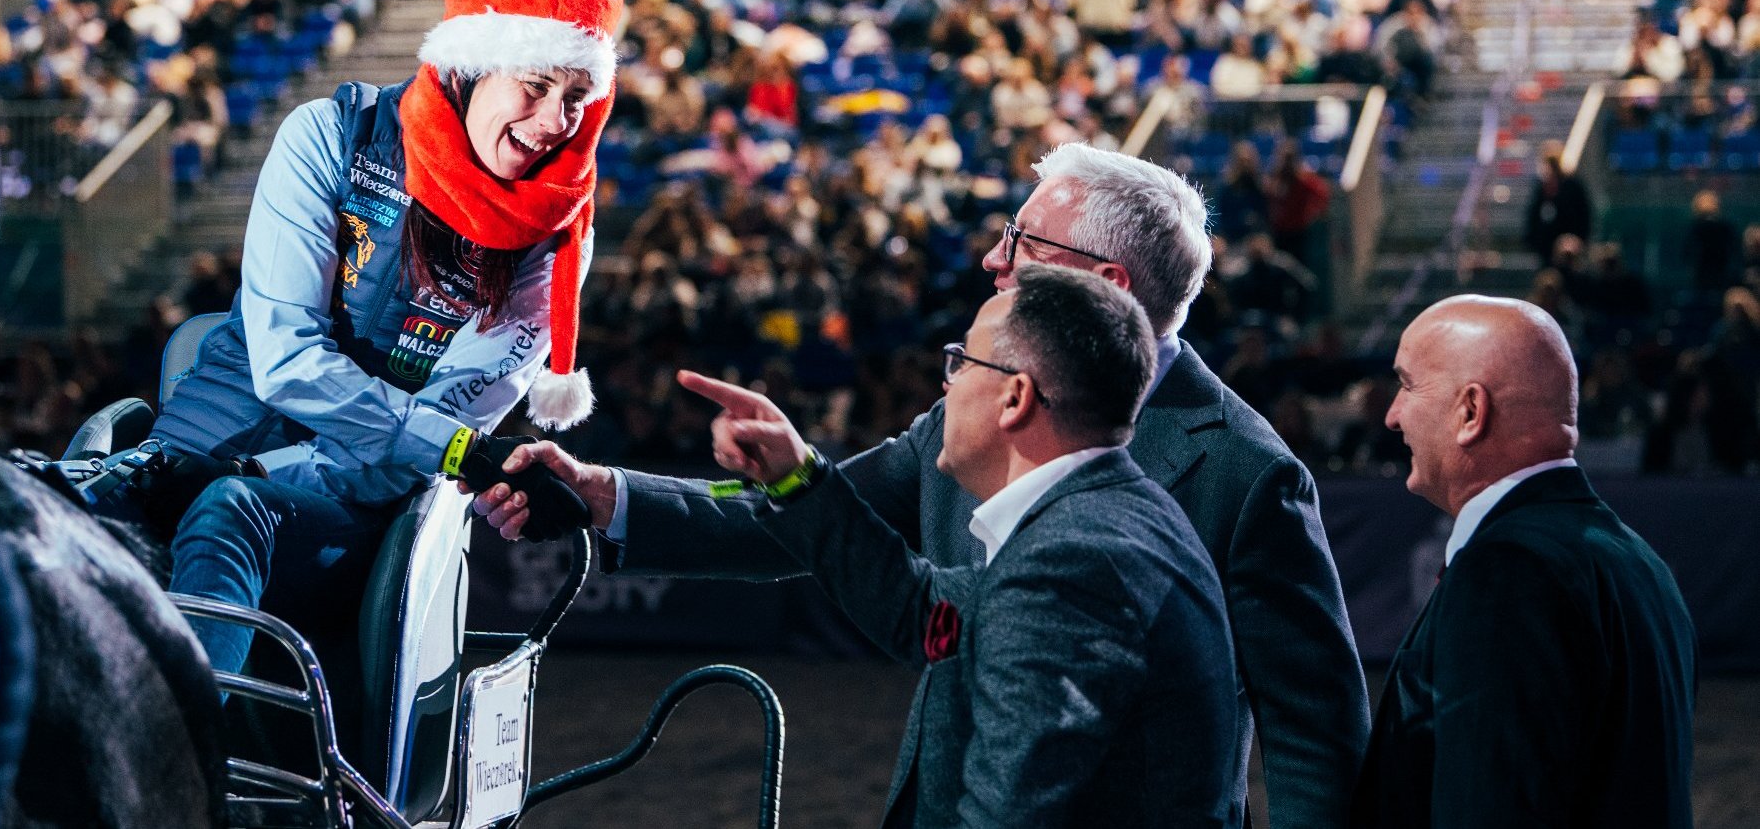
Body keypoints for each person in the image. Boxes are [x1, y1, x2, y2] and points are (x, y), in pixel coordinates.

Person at [481, 143, 1371, 829]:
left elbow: (1313, 732)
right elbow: (858, 559)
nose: (992, 257)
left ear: (1103, 286)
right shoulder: (980, 406)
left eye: (1021, 241)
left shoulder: (1246, 471)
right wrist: (605, 492)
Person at [90, 0, 613, 675]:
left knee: (231, 512)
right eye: (535, 86)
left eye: (576, 97)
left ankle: (183, 775)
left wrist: (262, 476)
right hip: (187, 451)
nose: (556, 122)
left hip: (348, 521)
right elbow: (285, 361)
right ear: (469, 67)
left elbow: (446, 434)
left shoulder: (553, 244)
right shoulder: (326, 135)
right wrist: (170, 470)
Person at [681, 266, 1242, 827]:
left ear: (1015, 397)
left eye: (963, 362)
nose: (946, 384)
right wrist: (793, 477)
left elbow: (1011, 814)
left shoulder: (1073, 564)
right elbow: (929, 614)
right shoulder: (1112, 517)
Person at [1352, 295, 1696, 828]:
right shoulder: (1640, 562)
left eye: (1407, 384)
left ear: (1471, 411)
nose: (1393, 415)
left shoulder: (1508, 573)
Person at [1524, 146, 1592, 265]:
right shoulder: (1542, 189)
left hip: (1571, 246)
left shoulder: (1572, 186)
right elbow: (1534, 217)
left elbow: (1583, 214)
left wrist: (1579, 239)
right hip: (1548, 248)